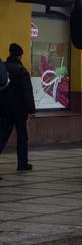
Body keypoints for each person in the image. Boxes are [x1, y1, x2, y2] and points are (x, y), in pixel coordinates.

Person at [0, 43, 36, 172]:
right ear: (20, 55)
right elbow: (27, 91)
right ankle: (22, 163)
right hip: (20, 110)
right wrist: (31, 109)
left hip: (5, 109)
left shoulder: (3, 67)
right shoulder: (22, 71)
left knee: (2, 135)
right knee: (22, 136)